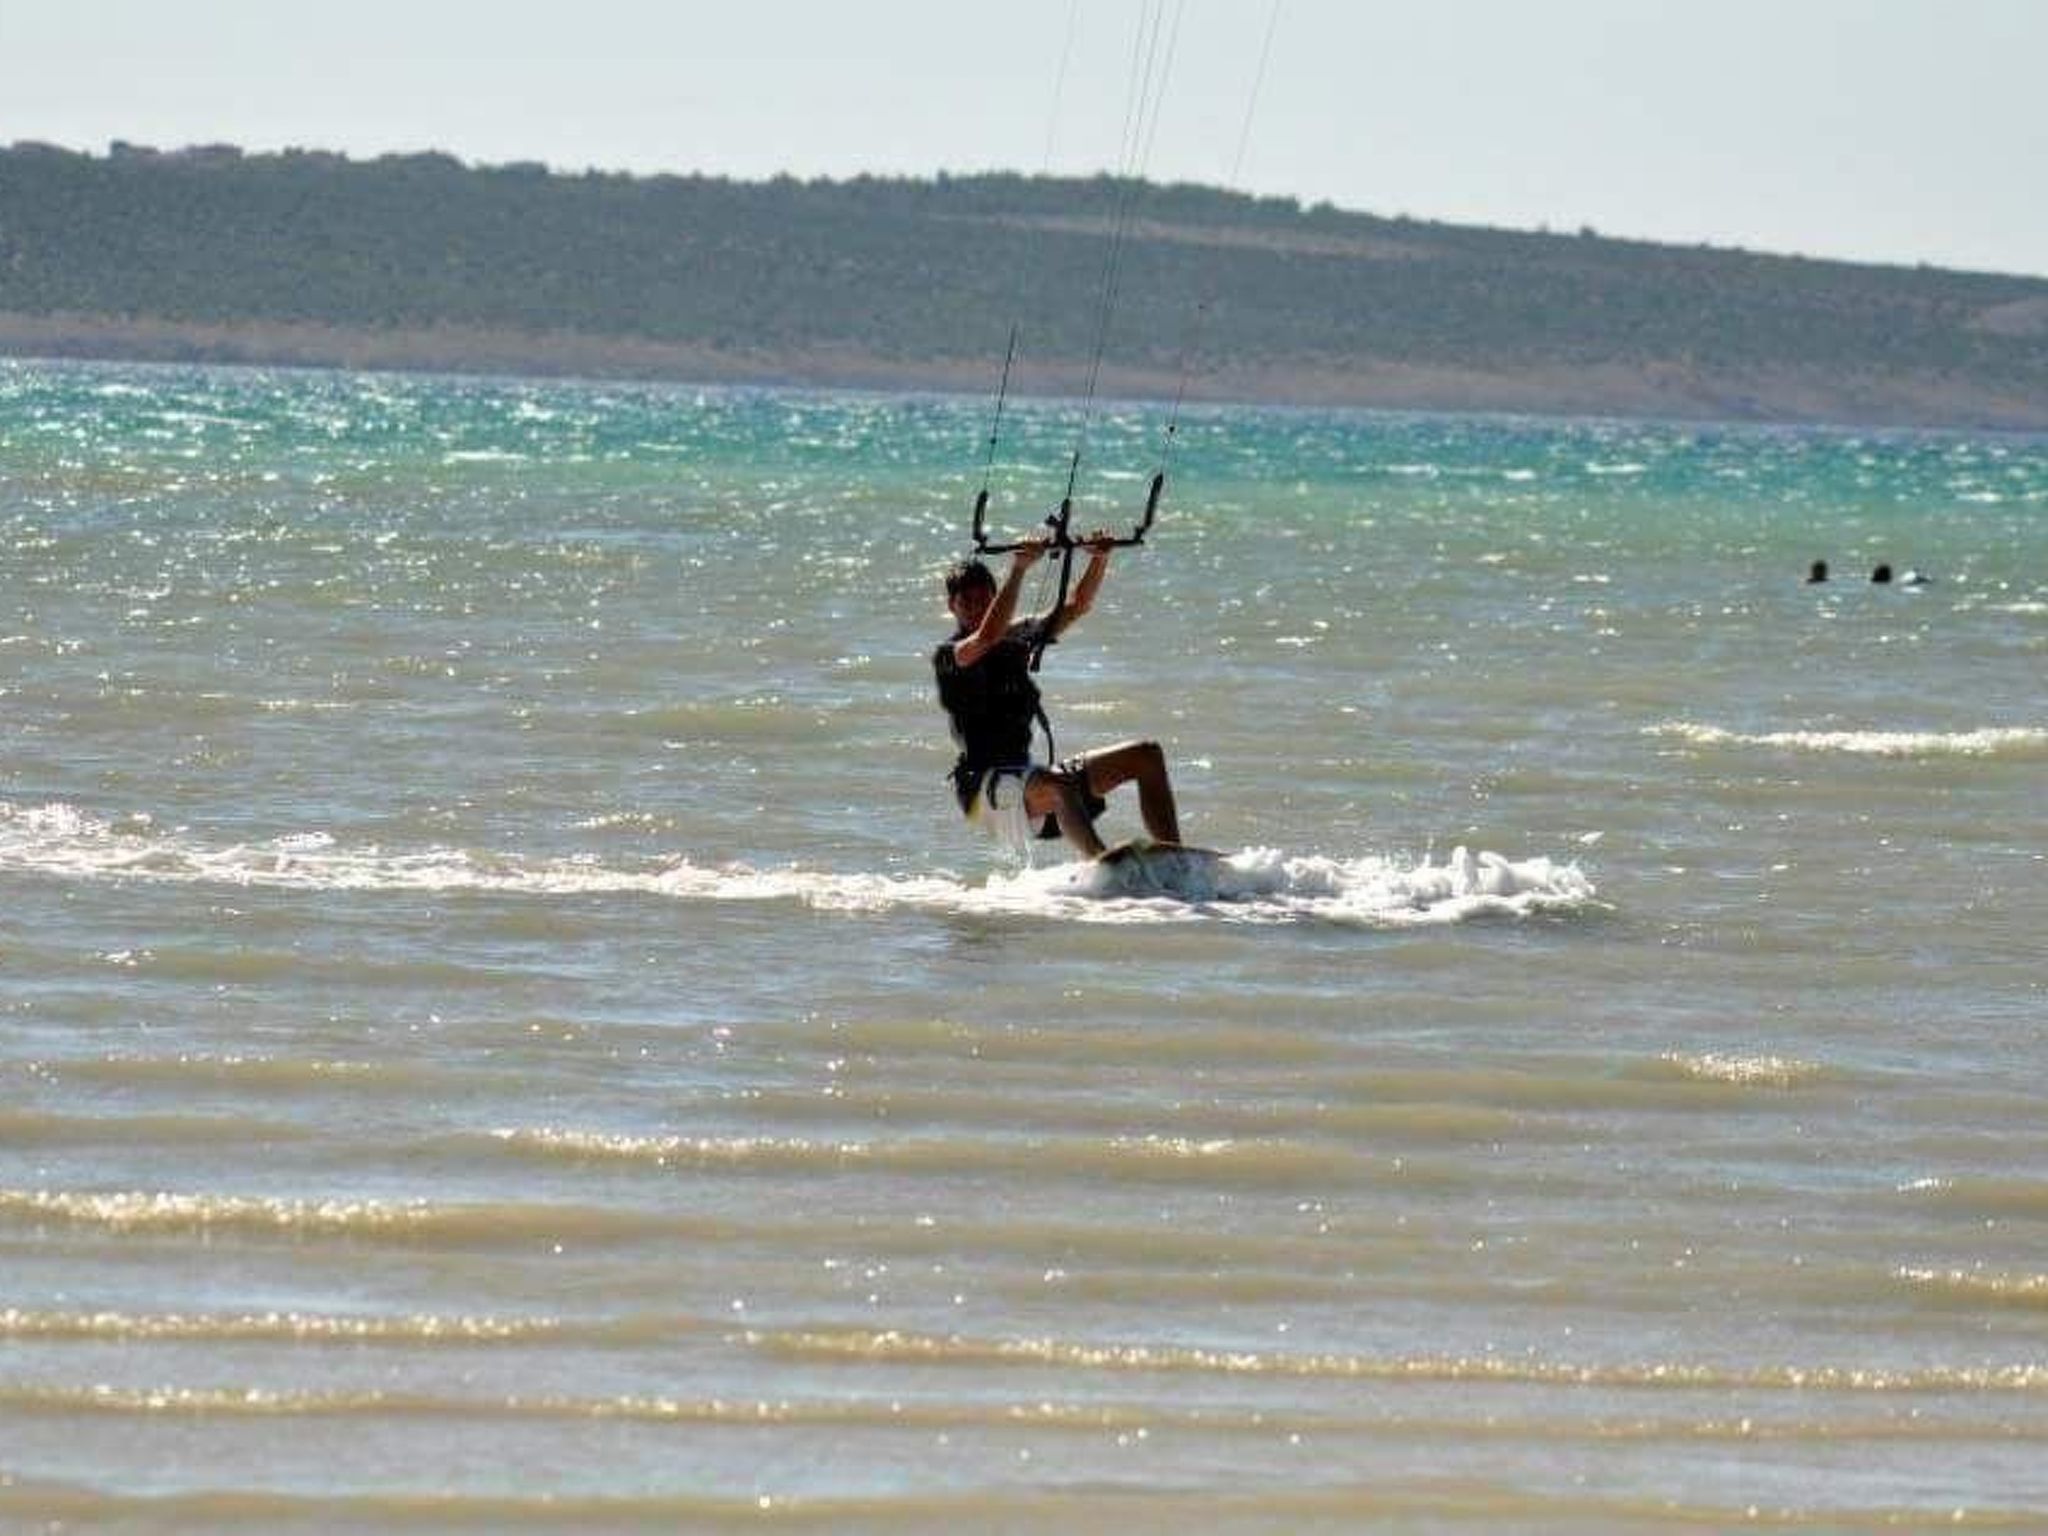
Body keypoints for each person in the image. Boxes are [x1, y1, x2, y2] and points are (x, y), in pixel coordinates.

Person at [934, 535, 1182, 859]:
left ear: (994, 599)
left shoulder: (1017, 636)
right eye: (966, 601)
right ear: (952, 606)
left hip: (1027, 782)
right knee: (1058, 784)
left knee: (1146, 756)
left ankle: (1178, 860)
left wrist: (1098, 558)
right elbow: (987, 637)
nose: (976, 608)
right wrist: (1020, 569)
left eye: (983, 600)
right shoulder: (951, 655)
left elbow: (1078, 605)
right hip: (984, 792)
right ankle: (1102, 864)